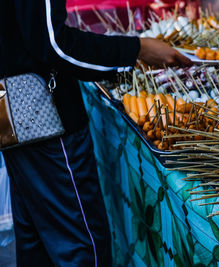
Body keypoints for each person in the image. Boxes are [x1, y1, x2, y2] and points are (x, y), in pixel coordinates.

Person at [0, 0, 191, 266]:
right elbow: (54, 45)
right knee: (81, 245)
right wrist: (135, 50)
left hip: (16, 115)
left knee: (37, 242)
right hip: (46, 123)